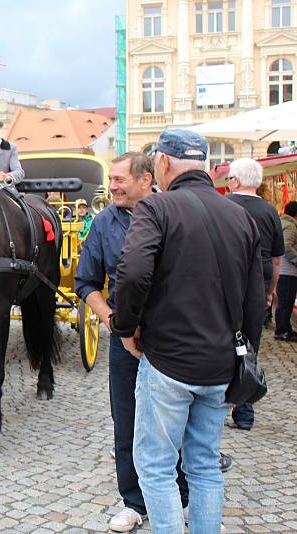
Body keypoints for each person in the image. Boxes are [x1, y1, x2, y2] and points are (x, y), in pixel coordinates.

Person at [112, 129, 264, 534]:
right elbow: (256, 301)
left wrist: (126, 328)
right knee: (204, 464)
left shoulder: (157, 208)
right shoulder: (241, 215)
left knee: (157, 466)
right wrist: (246, 358)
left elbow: (132, 274)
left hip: (168, 361)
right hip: (220, 365)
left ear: (163, 163)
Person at [75, 152, 191, 532]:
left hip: (171, 336)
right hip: (125, 339)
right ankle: (134, 502)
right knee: (126, 420)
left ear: (146, 179)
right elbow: (86, 283)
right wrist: (113, 320)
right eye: (111, 179)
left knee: (178, 420)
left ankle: (184, 497)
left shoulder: (174, 213)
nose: (113, 187)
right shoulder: (104, 222)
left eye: (121, 179)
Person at [226, 157, 285, 431]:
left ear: (235, 181)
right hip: (258, 282)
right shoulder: (271, 211)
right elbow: (276, 259)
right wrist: (270, 291)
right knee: (249, 346)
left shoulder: (225, 206)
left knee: (223, 340)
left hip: (228, 279)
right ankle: (245, 410)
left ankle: (215, 405)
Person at [275, 201, 297, 341]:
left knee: (284, 302)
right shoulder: (291, 226)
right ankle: (282, 330)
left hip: (281, 269)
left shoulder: (281, 223)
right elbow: (287, 246)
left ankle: (284, 328)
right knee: (286, 302)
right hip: (288, 270)